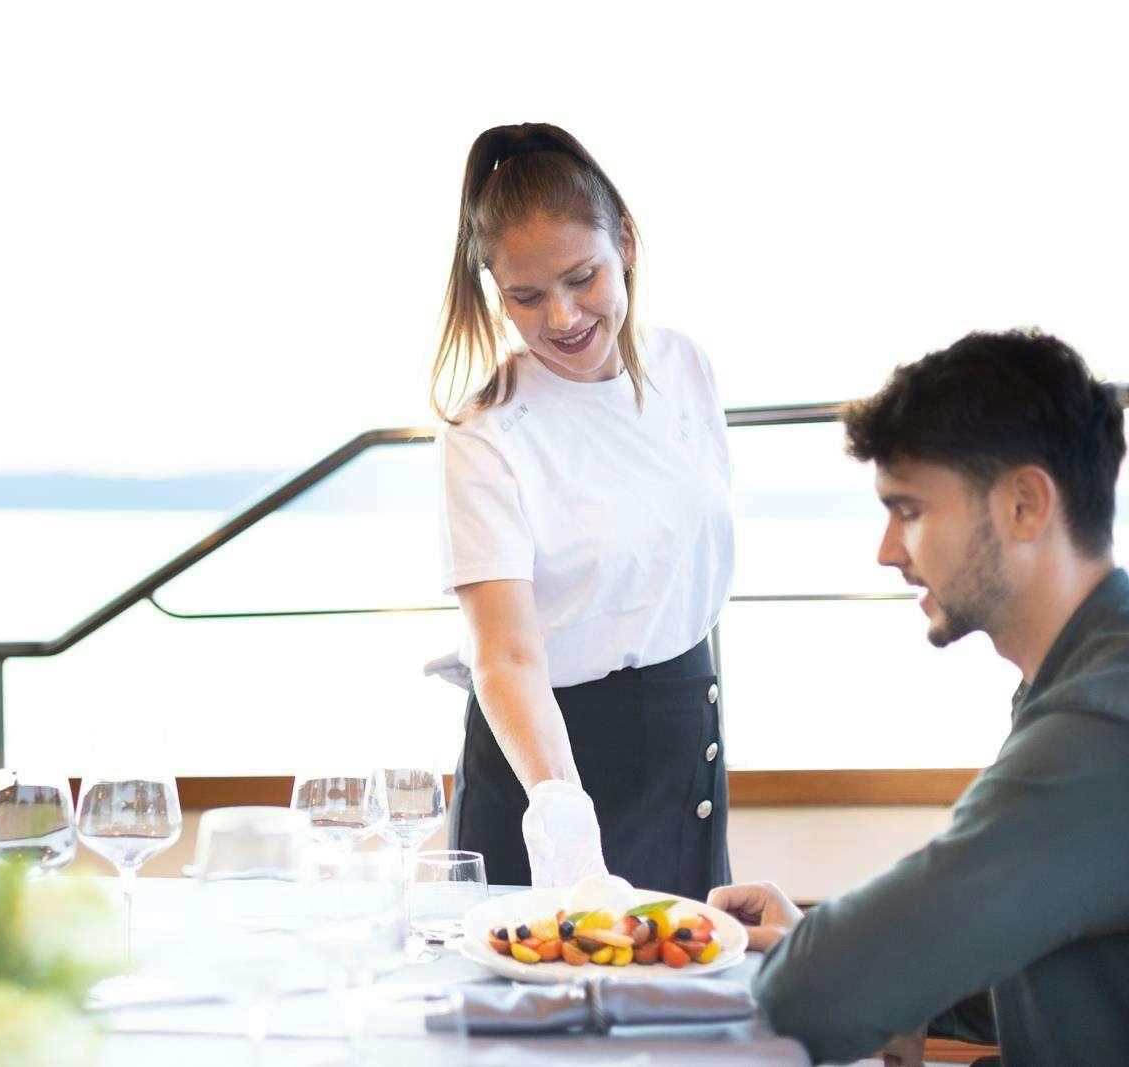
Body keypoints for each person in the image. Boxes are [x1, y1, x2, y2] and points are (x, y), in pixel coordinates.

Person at [709, 330, 1129, 1065]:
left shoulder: (1100, 724)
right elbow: (1037, 947)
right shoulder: (1076, 676)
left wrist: (841, 960)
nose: (887, 550)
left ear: (1026, 504)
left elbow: (815, 993)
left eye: (908, 510)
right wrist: (831, 944)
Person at [430, 122, 734, 897]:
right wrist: (562, 812)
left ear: (626, 241)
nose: (561, 317)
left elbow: (684, 574)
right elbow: (506, 656)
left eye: (581, 277)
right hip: (547, 765)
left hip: (682, 737)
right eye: (526, 297)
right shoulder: (486, 430)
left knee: (678, 998)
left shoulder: (685, 367)